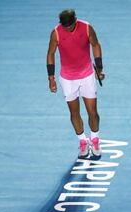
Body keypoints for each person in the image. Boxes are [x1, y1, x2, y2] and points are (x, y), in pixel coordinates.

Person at [46, 9, 105, 158]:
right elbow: (50, 53)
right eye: (65, 26)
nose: (68, 29)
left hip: (87, 76)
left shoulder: (86, 27)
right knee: (74, 113)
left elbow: (95, 45)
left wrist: (99, 67)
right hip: (67, 79)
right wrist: (51, 78)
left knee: (93, 112)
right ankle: (83, 142)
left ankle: (95, 139)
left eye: (70, 26)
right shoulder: (56, 33)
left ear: (75, 20)